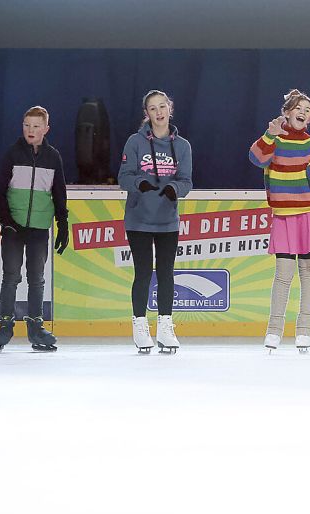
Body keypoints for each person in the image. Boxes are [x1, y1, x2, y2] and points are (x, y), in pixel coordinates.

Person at [249, 89, 310, 352]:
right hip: (284, 216)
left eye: (307, 110)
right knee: (283, 275)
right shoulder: (274, 140)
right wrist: (269, 135)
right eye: (298, 108)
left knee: (309, 271)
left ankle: (304, 328)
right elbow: (256, 159)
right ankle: (274, 330)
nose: (302, 112)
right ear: (287, 113)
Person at [118, 90, 193, 353]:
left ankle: (165, 326)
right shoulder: (134, 142)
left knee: (166, 273)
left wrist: (176, 189)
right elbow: (123, 177)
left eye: (162, 106)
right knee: (142, 273)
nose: (159, 112)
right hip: (138, 219)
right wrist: (140, 182)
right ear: (146, 114)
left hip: (167, 221)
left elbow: (187, 180)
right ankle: (140, 326)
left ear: (170, 109)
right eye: (153, 108)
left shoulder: (182, 146)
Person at [0, 105, 69, 352]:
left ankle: (36, 326)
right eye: (27, 125)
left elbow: (59, 194)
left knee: (37, 279)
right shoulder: (12, 154)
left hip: (38, 228)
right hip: (14, 228)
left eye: (36, 126)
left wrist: (63, 224)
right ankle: (5, 323)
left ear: (46, 129)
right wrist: (7, 221)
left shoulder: (53, 157)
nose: (31, 130)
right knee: (11, 276)